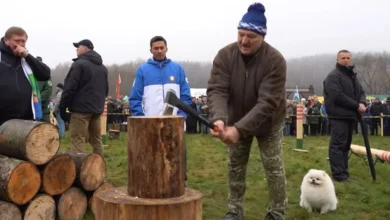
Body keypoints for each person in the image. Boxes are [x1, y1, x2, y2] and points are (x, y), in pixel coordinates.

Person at [206, 3, 287, 220]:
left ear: (262, 37)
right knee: (235, 166)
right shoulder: (224, 55)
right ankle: (234, 211)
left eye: (250, 36)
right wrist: (220, 120)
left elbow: (267, 103)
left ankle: (276, 213)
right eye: (241, 34)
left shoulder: (275, 61)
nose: (244, 40)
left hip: (268, 122)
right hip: (234, 119)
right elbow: (217, 90)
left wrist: (239, 130)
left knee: (273, 167)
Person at [129, 36, 192, 184]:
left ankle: (180, 184)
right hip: (150, 126)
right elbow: (135, 99)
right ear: (151, 50)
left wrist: (181, 117)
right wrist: (142, 121)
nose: (159, 51)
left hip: (174, 125)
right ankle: (149, 184)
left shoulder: (178, 69)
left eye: (161, 48)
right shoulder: (143, 70)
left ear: (166, 49)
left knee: (176, 158)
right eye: (155, 48)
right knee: (151, 158)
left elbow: (185, 97)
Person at [59, 39, 109, 157]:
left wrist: (63, 106)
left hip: (80, 110)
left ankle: (79, 171)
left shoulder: (79, 64)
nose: (76, 49)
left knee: (78, 139)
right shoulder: (103, 68)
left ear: (86, 48)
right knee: (96, 139)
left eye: (78, 46)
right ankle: (99, 168)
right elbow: (105, 90)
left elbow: (70, 87)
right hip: (96, 110)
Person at [323, 49, 366, 182]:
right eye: (343, 58)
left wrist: (362, 102)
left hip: (350, 116)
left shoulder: (352, 76)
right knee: (337, 145)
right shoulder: (333, 76)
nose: (346, 60)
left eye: (348, 58)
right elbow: (337, 96)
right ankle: (338, 174)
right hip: (338, 115)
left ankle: (344, 172)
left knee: (346, 145)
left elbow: (361, 92)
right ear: (337, 59)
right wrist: (356, 106)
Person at [0, 26, 51, 125]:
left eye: (23, 41)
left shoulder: (26, 59)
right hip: (2, 117)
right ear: (6, 41)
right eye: (17, 40)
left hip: (26, 117)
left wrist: (27, 56)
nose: (20, 44)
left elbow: (45, 74)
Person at [36, 56, 53, 123]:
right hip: (31, 110)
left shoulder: (46, 76)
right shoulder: (30, 75)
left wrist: (36, 99)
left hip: (43, 109)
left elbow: (48, 90)